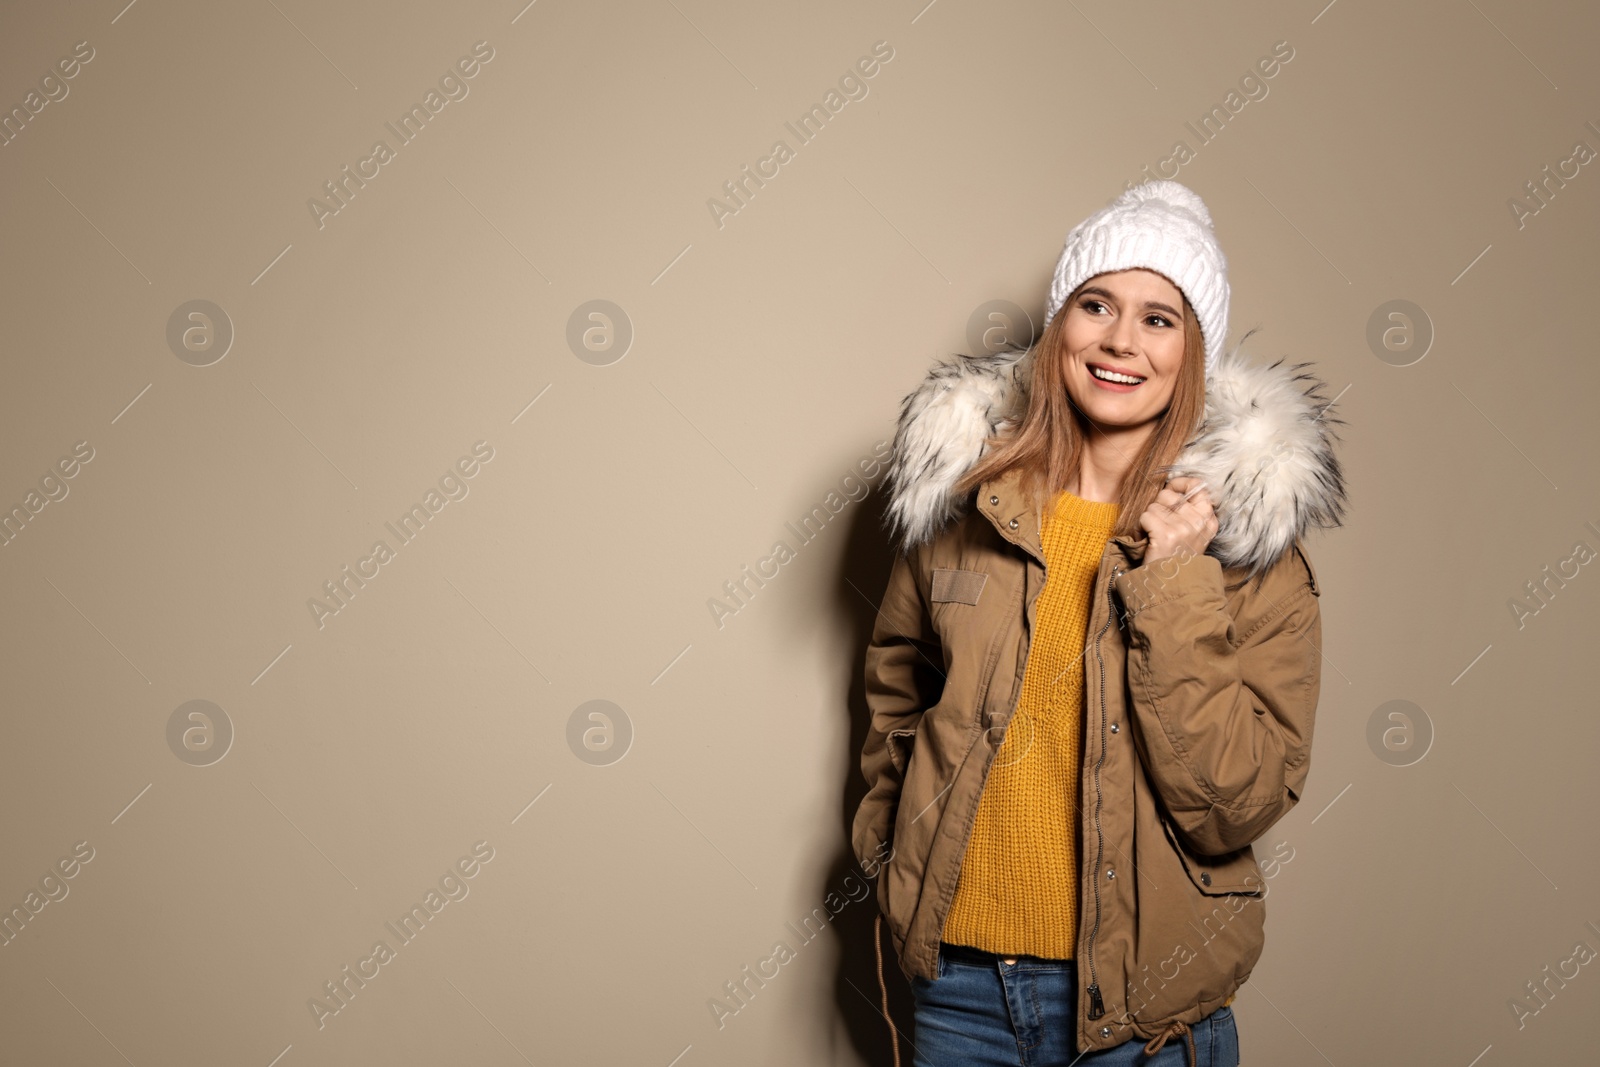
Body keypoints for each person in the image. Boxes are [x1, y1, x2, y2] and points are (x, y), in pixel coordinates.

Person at [851, 180, 1348, 1067]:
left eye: (1161, 318)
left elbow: (1234, 801)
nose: (1122, 340)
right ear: (1060, 326)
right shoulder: (965, 511)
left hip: (1145, 1015)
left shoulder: (1247, 558)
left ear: (1197, 351)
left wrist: (1176, 583)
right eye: (1097, 304)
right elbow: (898, 695)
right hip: (956, 992)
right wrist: (892, 850)